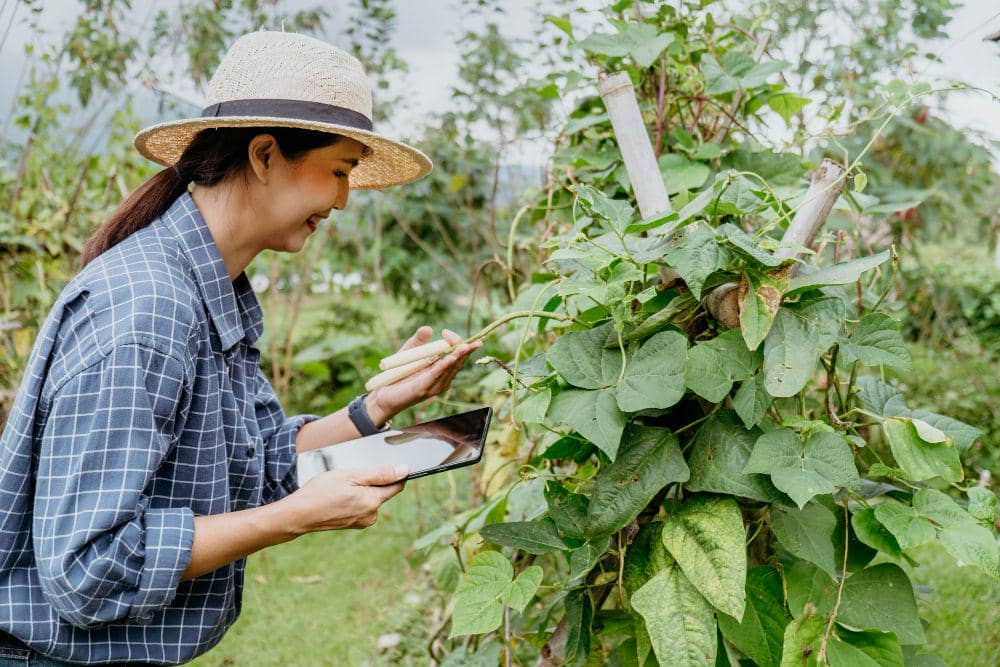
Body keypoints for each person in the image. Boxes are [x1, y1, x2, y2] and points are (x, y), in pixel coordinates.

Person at [0, 30, 481, 665]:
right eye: (339, 171)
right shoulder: (147, 310)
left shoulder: (210, 289)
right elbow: (88, 567)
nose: (342, 200)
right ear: (264, 155)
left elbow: (255, 461)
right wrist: (293, 517)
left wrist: (379, 407)